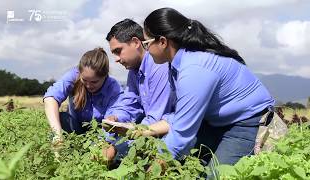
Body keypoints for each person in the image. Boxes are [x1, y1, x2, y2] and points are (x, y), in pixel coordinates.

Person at [142, 7, 275, 165]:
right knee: (185, 162)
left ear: (163, 42)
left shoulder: (194, 69)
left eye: (146, 44)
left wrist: (155, 167)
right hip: (217, 123)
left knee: (217, 174)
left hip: (247, 121)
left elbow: (181, 136)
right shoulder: (179, 64)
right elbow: (184, 115)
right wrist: (145, 131)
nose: (147, 50)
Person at [103, 19, 172, 159]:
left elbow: (156, 118)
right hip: (152, 128)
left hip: (170, 130)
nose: (116, 59)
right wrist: (116, 117)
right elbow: (129, 103)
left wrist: (119, 144)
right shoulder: (134, 72)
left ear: (136, 42)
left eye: (118, 51)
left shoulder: (158, 65)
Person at [43, 48, 122, 144]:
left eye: (94, 82)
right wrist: (58, 135)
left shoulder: (114, 88)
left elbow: (110, 124)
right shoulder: (74, 75)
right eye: (84, 80)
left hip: (100, 133)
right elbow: (50, 98)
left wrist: (101, 146)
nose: (88, 85)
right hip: (76, 129)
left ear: (105, 76)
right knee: (62, 118)